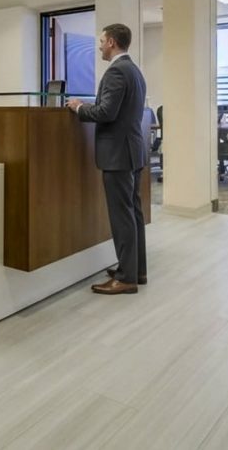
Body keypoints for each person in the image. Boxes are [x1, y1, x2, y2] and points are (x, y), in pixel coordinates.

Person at [66, 23, 147, 295]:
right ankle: (136, 270)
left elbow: (106, 112)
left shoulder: (116, 71)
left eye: (101, 41)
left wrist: (79, 107)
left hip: (118, 155)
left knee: (122, 215)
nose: (99, 46)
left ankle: (126, 278)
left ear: (111, 42)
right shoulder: (134, 70)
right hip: (132, 151)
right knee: (133, 213)